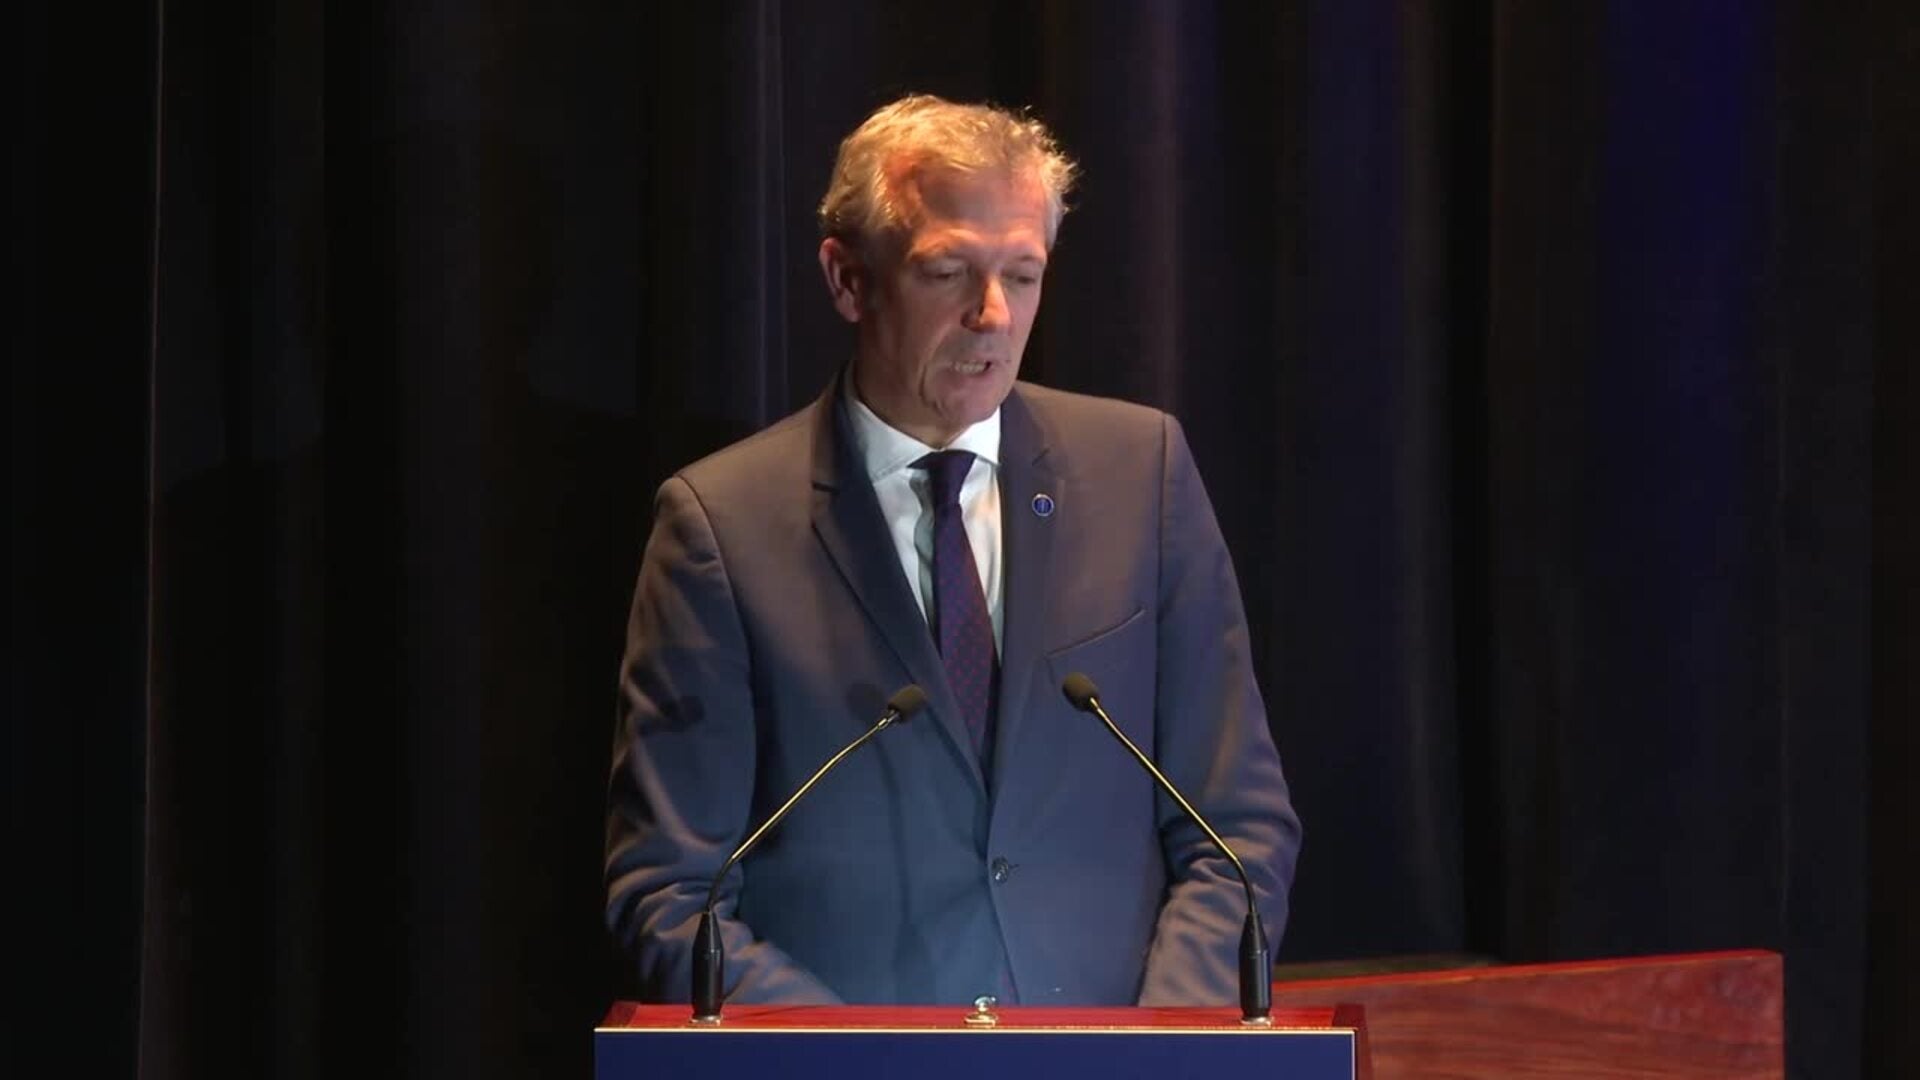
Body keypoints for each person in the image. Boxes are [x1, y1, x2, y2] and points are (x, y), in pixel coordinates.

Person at [605, 93, 1301, 1007]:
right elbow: (672, 894)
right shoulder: (719, 527)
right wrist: (872, 1066)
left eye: (1023, 274)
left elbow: (1236, 831)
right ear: (848, 279)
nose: (993, 314)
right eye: (948, 272)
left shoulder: (1143, 474)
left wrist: (1156, 1051)